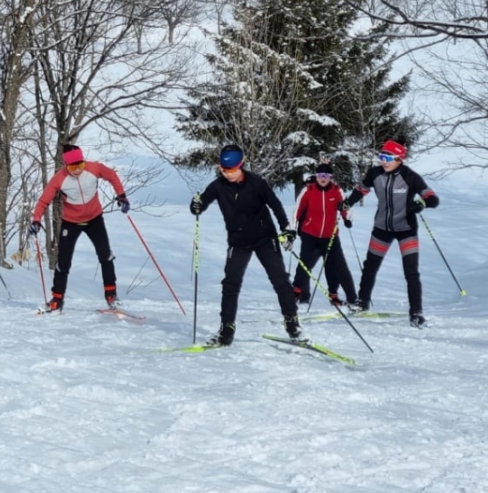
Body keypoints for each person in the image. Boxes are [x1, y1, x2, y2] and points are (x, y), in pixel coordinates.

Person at [188, 143, 303, 346]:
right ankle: (227, 328)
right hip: (238, 241)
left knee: (280, 280)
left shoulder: (257, 183)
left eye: (231, 170)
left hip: (265, 238)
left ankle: (292, 323)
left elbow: (275, 204)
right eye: (224, 170)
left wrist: (286, 228)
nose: (228, 174)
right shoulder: (217, 186)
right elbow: (201, 203)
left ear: (241, 165)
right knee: (230, 283)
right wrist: (195, 205)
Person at [344, 139, 439, 328]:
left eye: (387, 157)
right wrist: (348, 202)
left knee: (411, 272)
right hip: (382, 228)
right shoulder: (375, 173)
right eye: (381, 156)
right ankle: (362, 303)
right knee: (370, 265)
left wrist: (420, 204)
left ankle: (416, 313)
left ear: (399, 159)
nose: (383, 161)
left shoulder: (410, 176)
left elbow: (432, 199)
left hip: (406, 230)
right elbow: (361, 190)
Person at [29, 144, 129, 312]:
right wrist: (36, 220)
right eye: (73, 166)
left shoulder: (94, 168)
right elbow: (43, 201)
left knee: (106, 255)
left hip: (94, 218)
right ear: (66, 166)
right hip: (71, 221)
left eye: (80, 165)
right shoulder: (59, 178)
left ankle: (111, 295)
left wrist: (122, 196)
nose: (77, 170)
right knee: (63, 262)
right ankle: (57, 300)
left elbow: (112, 176)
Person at [289, 162, 358, 309]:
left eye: (326, 176)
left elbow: (345, 206)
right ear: (316, 176)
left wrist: (347, 218)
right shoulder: (309, 190)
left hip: (330, 235)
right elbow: (297, 210)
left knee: (331, 266)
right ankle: (296, 291)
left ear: (330, 177)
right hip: (310, 234)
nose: (323, 178)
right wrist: (292, 229)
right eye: (320, 175)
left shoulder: (336, 190)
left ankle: (333, 294)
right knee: (304, 263)